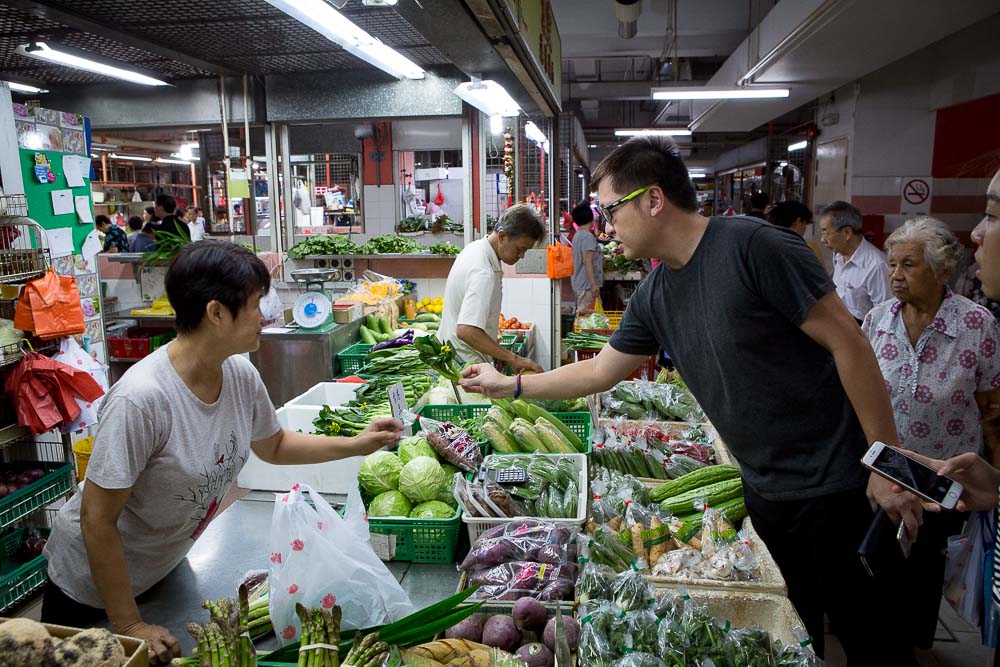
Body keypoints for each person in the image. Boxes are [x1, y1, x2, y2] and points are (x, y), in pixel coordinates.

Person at [459, 136, 921, 664]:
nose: (606, 228)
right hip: (765, 492)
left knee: (873, 636)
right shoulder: (656, 293)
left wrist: (886, 462)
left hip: (838, 484)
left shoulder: (757, 247)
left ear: (653, 200)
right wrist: (510, 384)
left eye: (611, 211)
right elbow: (599, 371)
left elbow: (850, 343)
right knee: (799, 638)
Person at [41, 242, 402, 664]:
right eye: (254, 305)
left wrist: (359, 442)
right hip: (91, 591)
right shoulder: (142, 400)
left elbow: (275, 445)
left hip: (161, 565)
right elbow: (96, 518)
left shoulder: (238, 373)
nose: (264, 317)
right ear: (216, 313)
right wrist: (130, 625)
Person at [862, 215, 1000, 649]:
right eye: (891, 264)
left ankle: (916, 643)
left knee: (924, 568)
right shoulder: (877, 319)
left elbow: (990, 408)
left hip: (945, 475)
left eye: (909, 265)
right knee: (878, 562)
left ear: (941, 272)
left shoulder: (977, 326)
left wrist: (994, 476)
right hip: (885, 469)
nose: (895, 276)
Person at [438, 204, 545, 374]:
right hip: (465, 364)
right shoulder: (483, 272)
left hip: (454, 357)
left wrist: (496, 352)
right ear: (502, 236)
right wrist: (513, 358)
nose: (522, 256)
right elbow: (466, 330)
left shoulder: (475, 248)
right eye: (520, 249)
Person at [820, 200, 891, 323]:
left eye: (826, 232)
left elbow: (885, 316)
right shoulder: (837, 256)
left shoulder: (877, 265)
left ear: (847, 233)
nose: (822, 239)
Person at [571, 202, 603, 316]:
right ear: (591, 218)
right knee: (590, 319)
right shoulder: (587, 237)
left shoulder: (578, 235)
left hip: (580, 283)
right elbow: (587, 261)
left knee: (584, 316)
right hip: (586, 286)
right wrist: (593, 284)